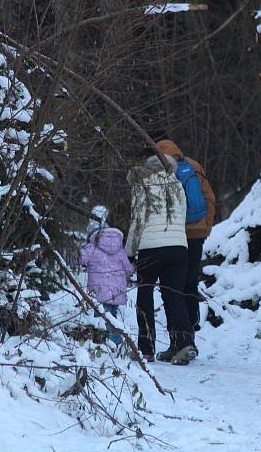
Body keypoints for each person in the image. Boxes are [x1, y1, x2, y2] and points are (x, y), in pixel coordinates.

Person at [125, 148, 197, 365]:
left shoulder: (142, 185)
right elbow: (182, 216)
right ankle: (182, 344)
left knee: (144, 296)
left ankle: (146, 349)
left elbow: (137, 223)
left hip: (150, 248)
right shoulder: (177, 185)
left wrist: (129, 252)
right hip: (178, 247)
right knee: (174, 296)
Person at [150, 131, 215, 357]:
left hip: (175, 236)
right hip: (196, 233)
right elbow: (209, 199)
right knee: (189, 284)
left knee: (172, 289)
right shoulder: (193, 165)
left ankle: (180, 341)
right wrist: (205, 227)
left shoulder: (161, 170)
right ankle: (190, 335)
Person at [80, 226, 135, 346]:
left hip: (99, 291)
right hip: (117, 292)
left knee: (101, 319)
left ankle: (107, 344)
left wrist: (82, 249)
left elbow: (82, 260)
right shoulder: (121, 251)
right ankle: (115, 343)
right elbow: (129, 269)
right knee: (113, 318)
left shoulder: (91, 248)